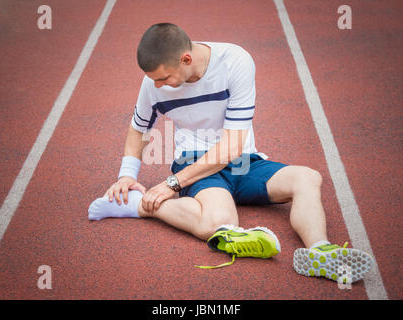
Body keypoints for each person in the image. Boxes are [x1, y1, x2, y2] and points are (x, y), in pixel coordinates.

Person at [88, 23, 373, 281]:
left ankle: (319, 253)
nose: (158, 86)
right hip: (194, 160)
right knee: (220, 225)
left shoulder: (235, 61)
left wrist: (171, 184)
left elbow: (232, 147)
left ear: (186, 59)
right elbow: (140, 129)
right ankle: (139, 205)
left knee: (308, 178)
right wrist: (127, 175)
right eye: (154, 80)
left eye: (164, 78)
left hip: (243, 160)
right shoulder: (153, 83)